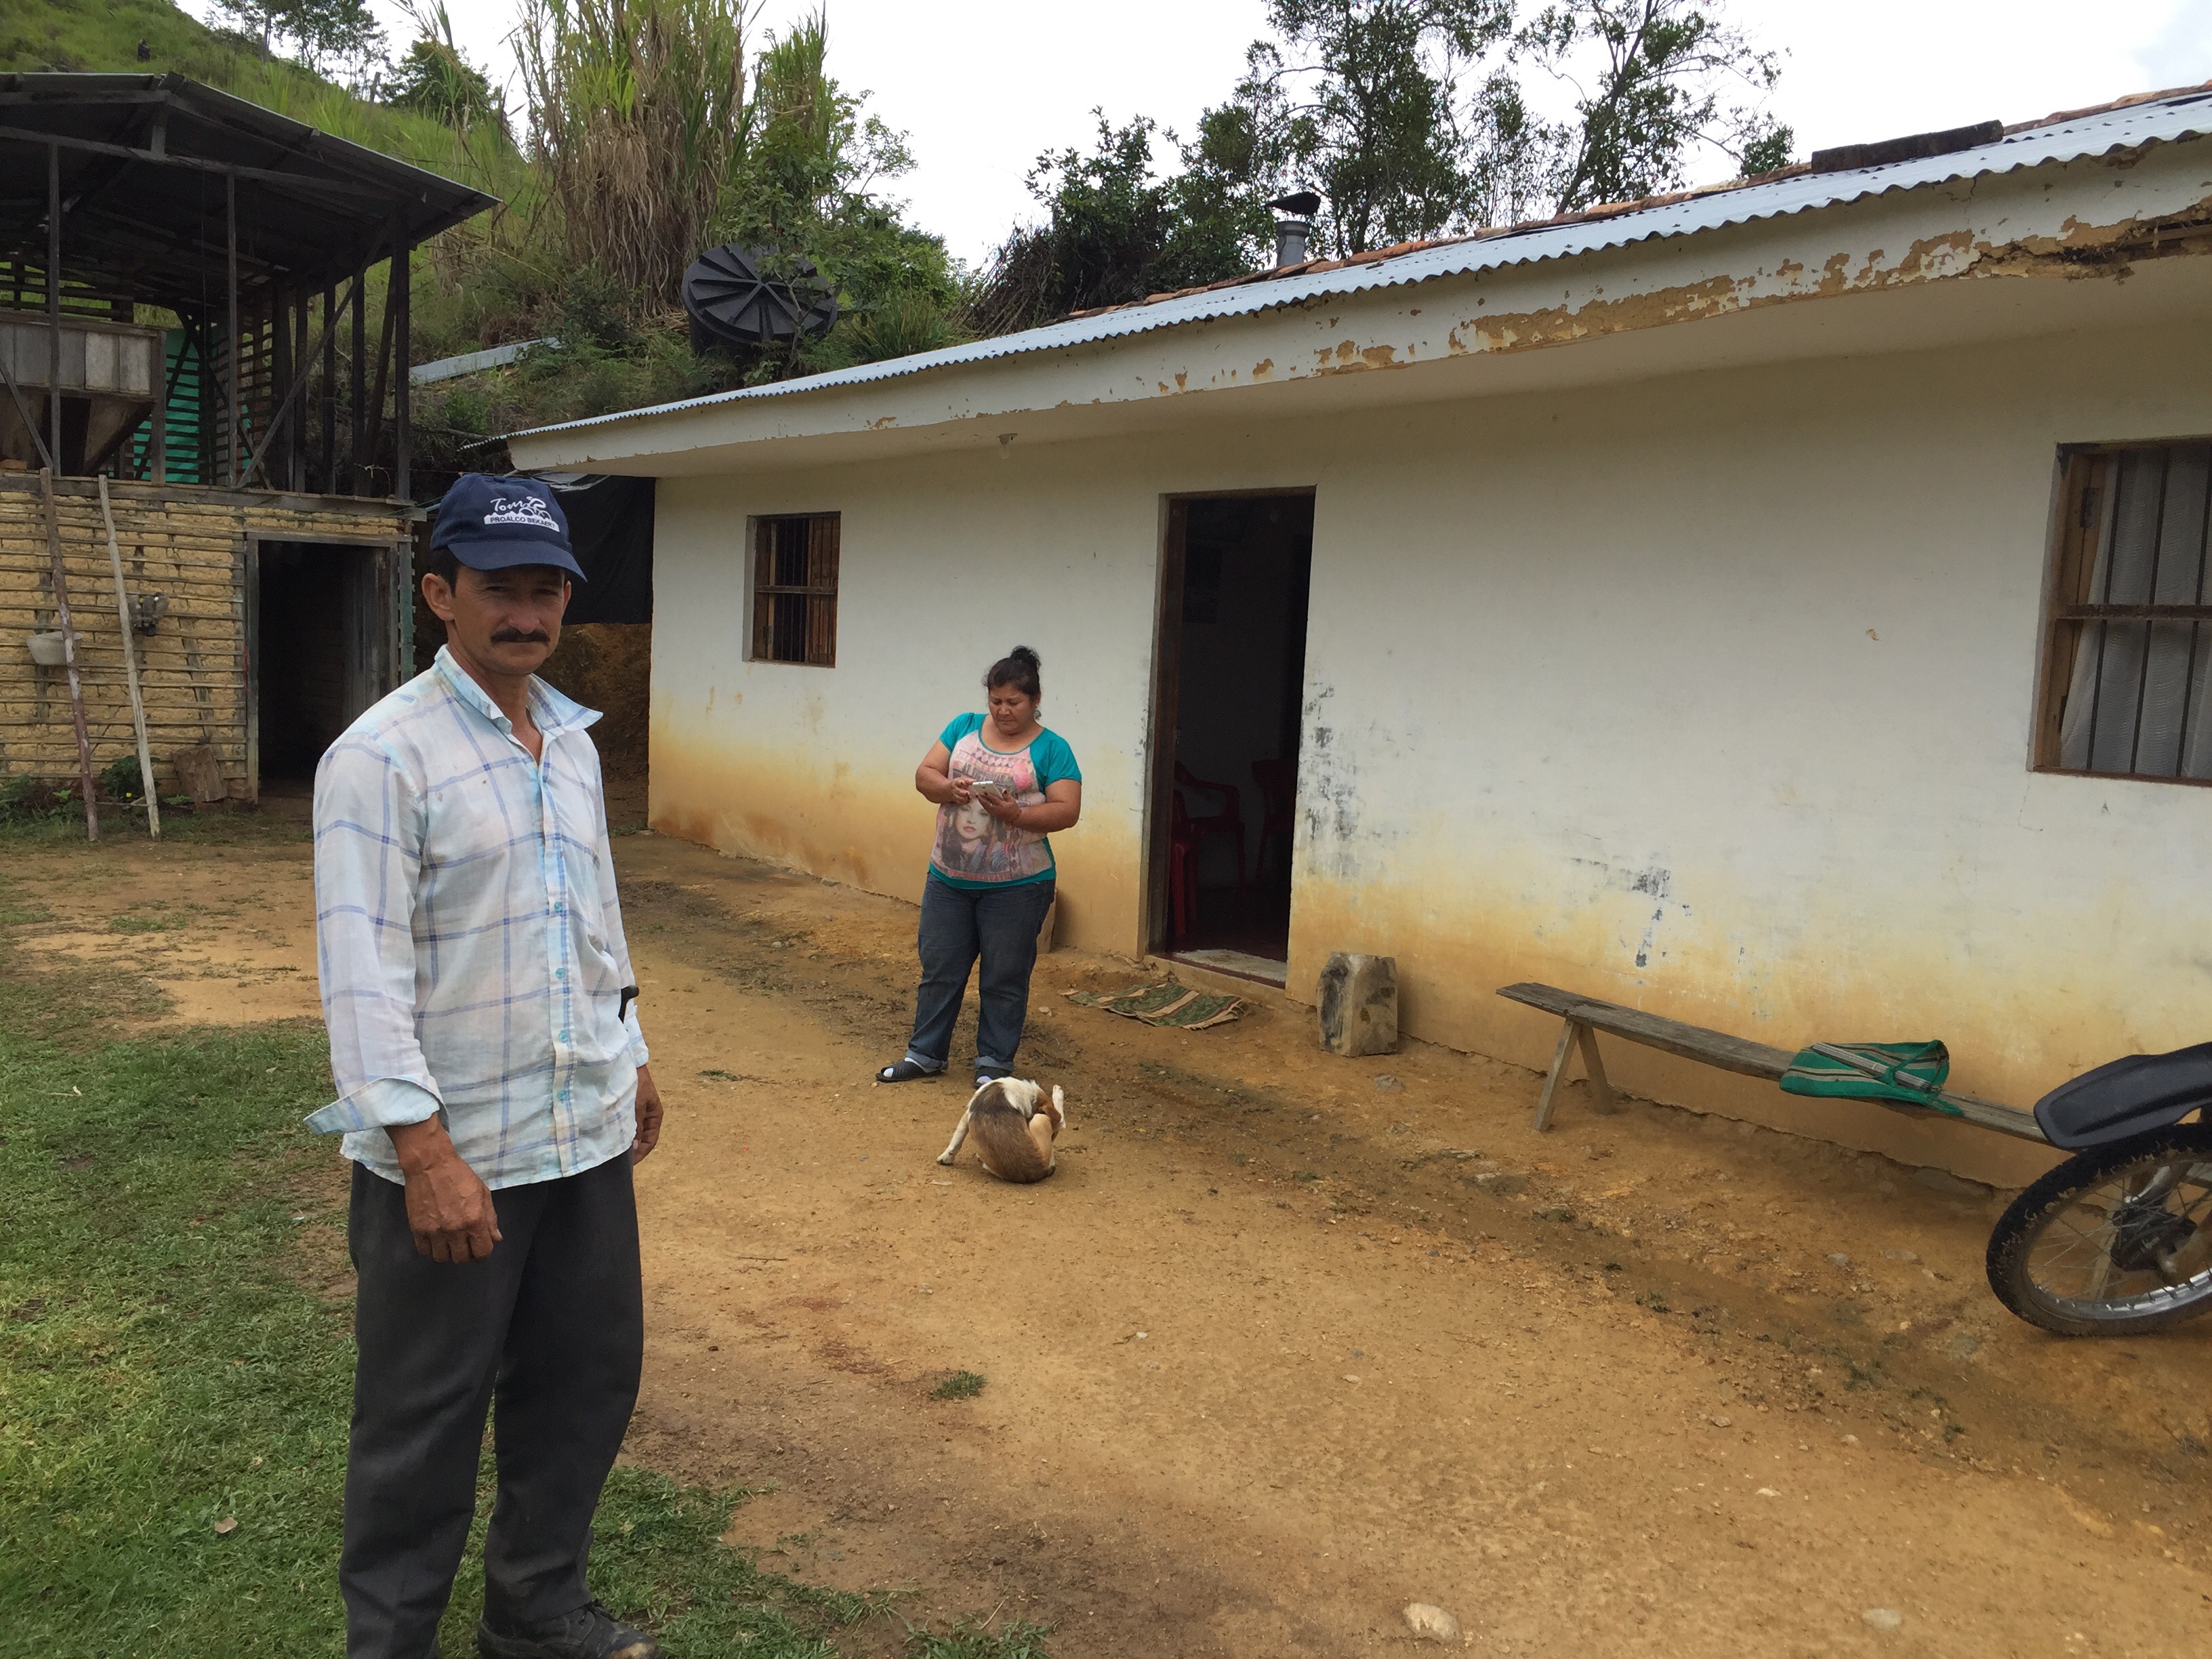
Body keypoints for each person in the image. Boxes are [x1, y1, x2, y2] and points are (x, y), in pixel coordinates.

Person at [308, 474, 666, 1659]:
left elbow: (594, 916)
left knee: (583, 1381)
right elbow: (361, 972)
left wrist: (632, 1050)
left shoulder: (567, 741)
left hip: (581, 1130)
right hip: (457, 1149)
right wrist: (422, 1151)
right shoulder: (381, 757)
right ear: (439, 594)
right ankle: (391, 1641)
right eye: (499, 588)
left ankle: (536, 1609)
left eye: (546, 589)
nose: (526, 612)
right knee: (424, 1418)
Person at [876, 646, 1082, 1089]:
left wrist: (1017, 815)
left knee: (1004, 977)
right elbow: (924, 775)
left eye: (1014, 702)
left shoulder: (1053, 748)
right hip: (948, 879)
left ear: (1035, 700)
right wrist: (948, 787)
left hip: (1019, 886)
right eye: (996, 701)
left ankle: (993, 1064)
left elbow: (1068, 810)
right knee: (940, 969)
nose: (1003, 710)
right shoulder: (963, 728)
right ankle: (924, 1055)